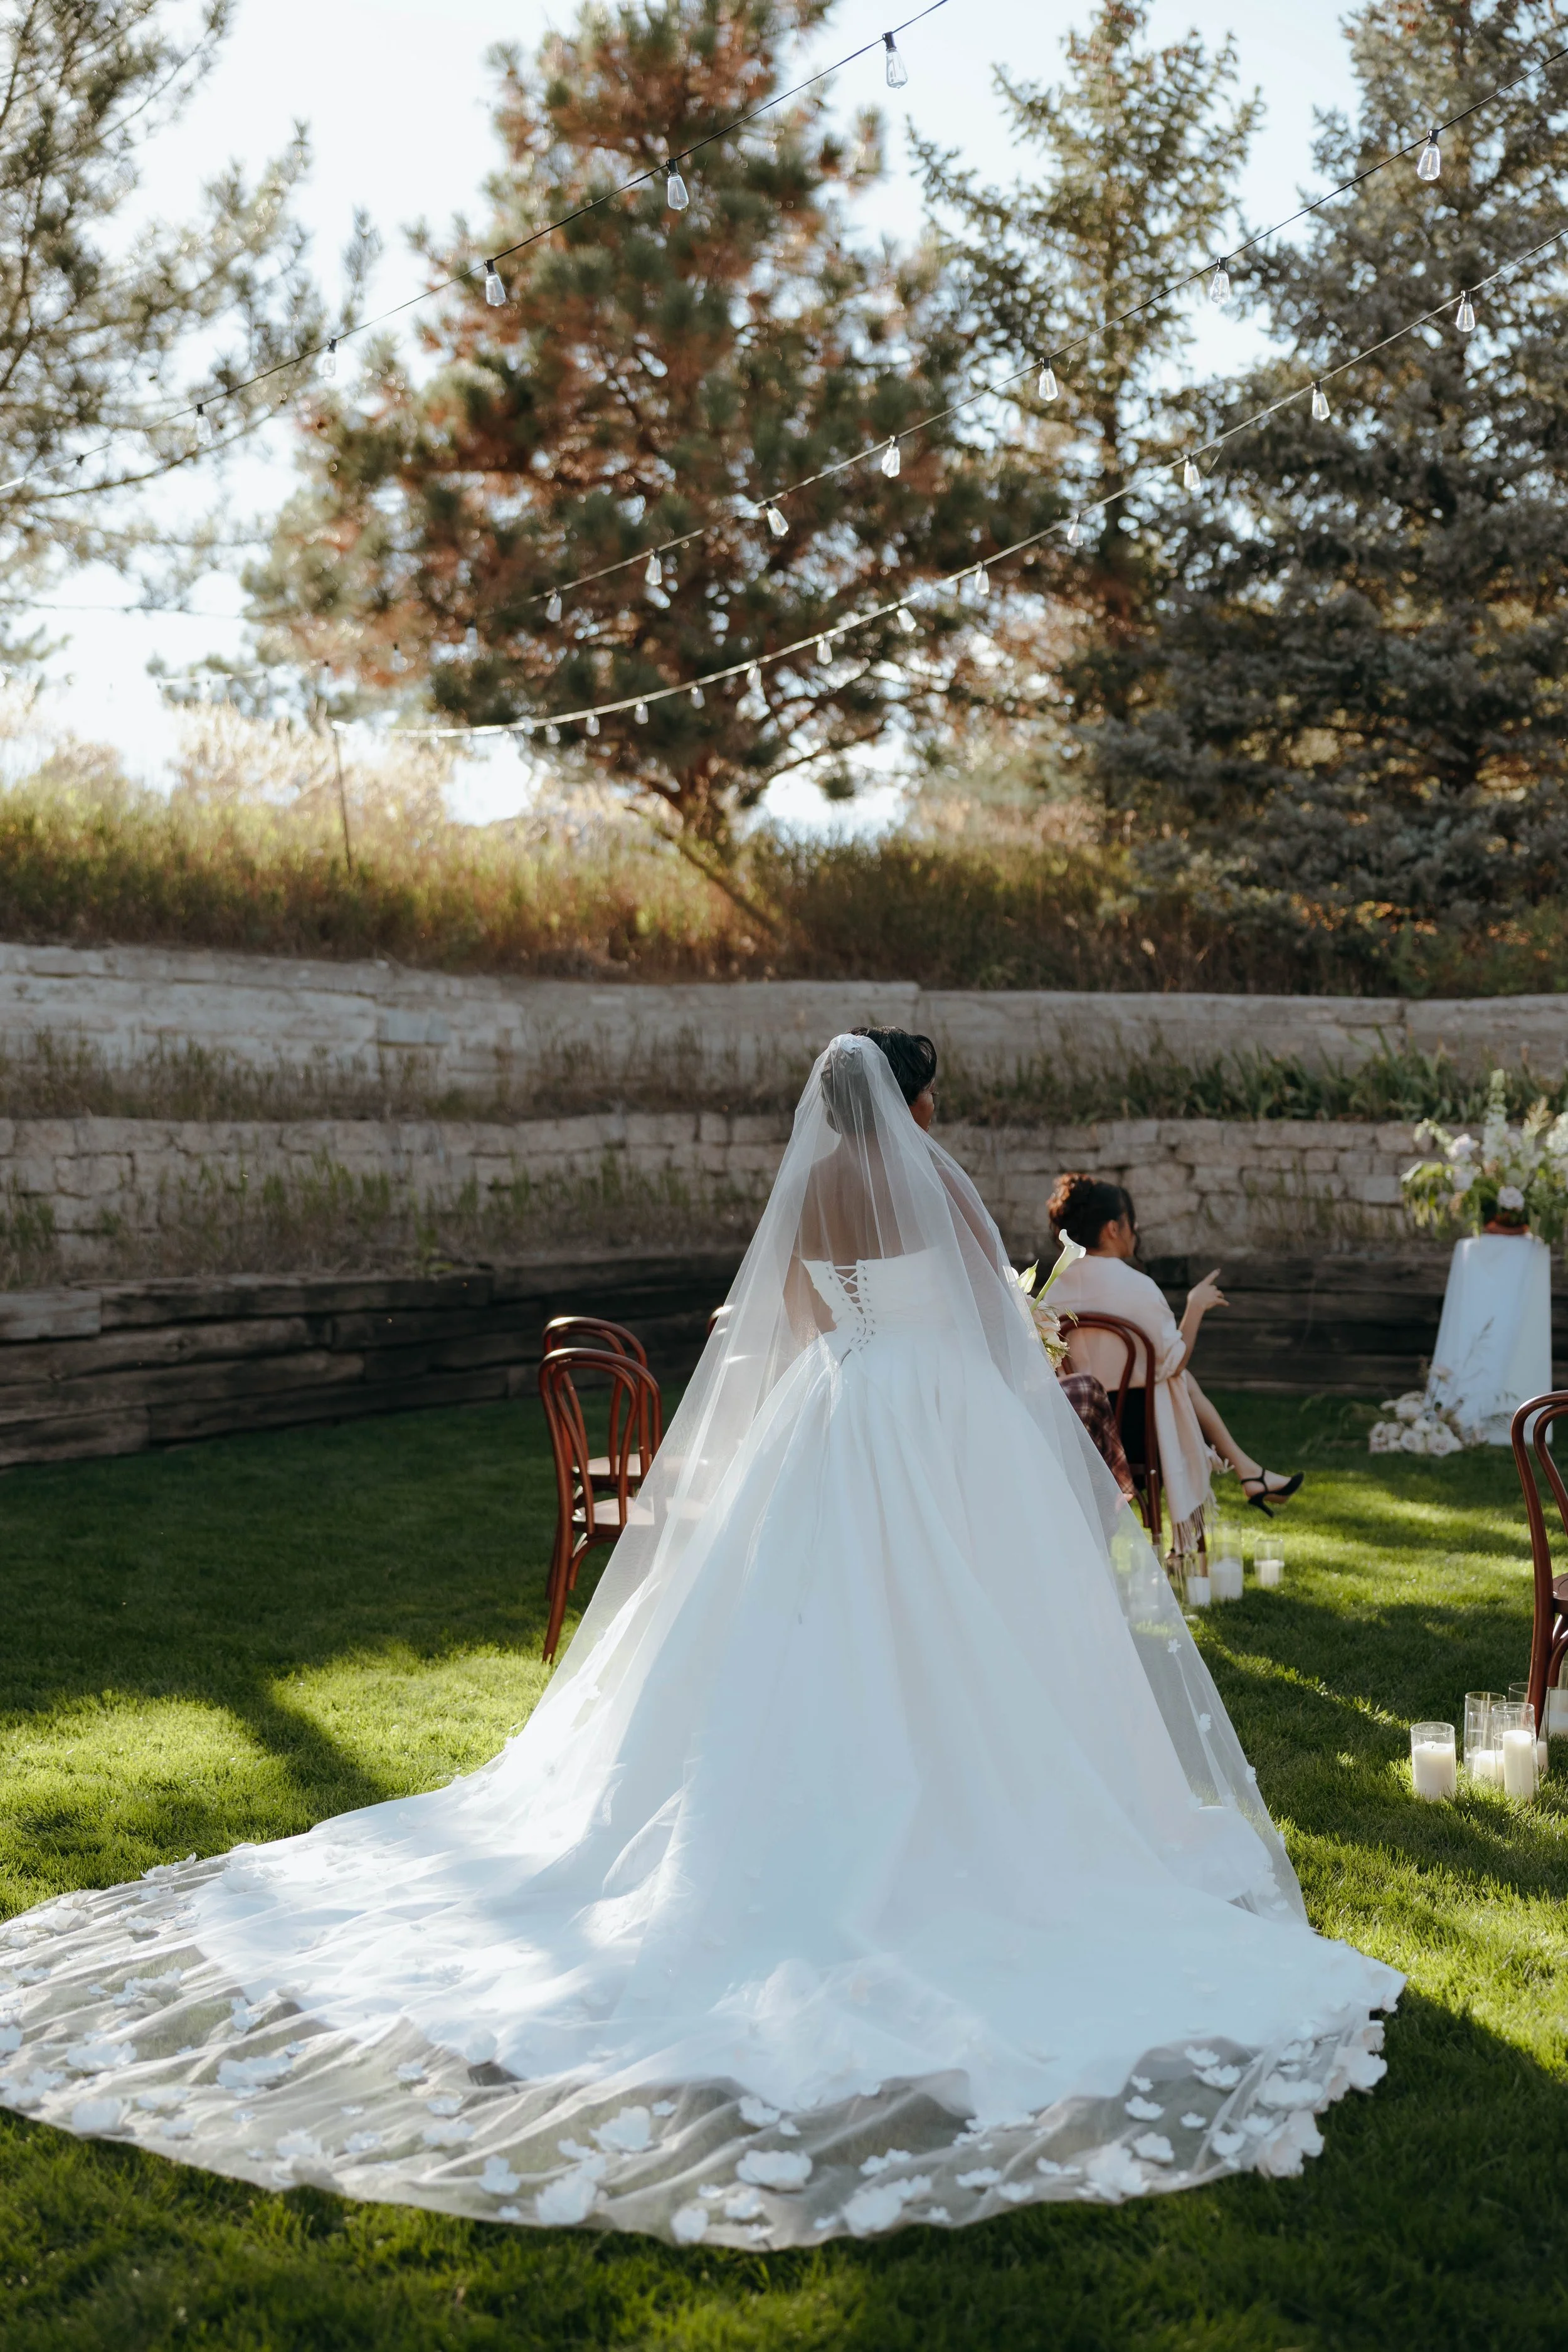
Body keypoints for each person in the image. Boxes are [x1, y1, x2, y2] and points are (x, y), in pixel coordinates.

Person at [0, 1031, 1395, 2248]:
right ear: (908, 1102)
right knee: (962, 1610)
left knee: (808, 1614)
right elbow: (996, 1319)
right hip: (935, 1412)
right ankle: (976, 1785)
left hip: (837, 1410)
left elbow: (787, 1323)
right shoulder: (939, 1181)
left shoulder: (814, 1187)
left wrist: (848, 1370)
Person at [1046, 1174, 1303, 1552]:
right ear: (1115, 1228)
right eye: (1133, 1223)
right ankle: (1242, 1479)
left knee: (1169, 1380)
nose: (1137, 1232)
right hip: (1141, 1436)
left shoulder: (1054, 1286)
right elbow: (1175, 1361)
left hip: (1084, 1432)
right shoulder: (1137, 1287)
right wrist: (1196, 1307)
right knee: (1174, 1382)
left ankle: (1250, 1473)